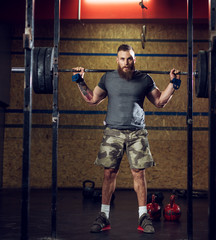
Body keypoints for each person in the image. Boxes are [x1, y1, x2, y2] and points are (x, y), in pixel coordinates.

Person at [72, 44, 181, 234]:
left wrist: (173, 84)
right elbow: (93, 99)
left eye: (129, 58)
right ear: (117, 60)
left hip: (137, 132)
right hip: (113, 131)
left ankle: (142, 216)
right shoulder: (108, 78)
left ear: (134, 59)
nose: (126, 63)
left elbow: (160, 102)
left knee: (139, 173)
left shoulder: (145, 79)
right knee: (109, 173)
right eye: (122, 59)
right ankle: (104, 216)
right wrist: (80, 82)